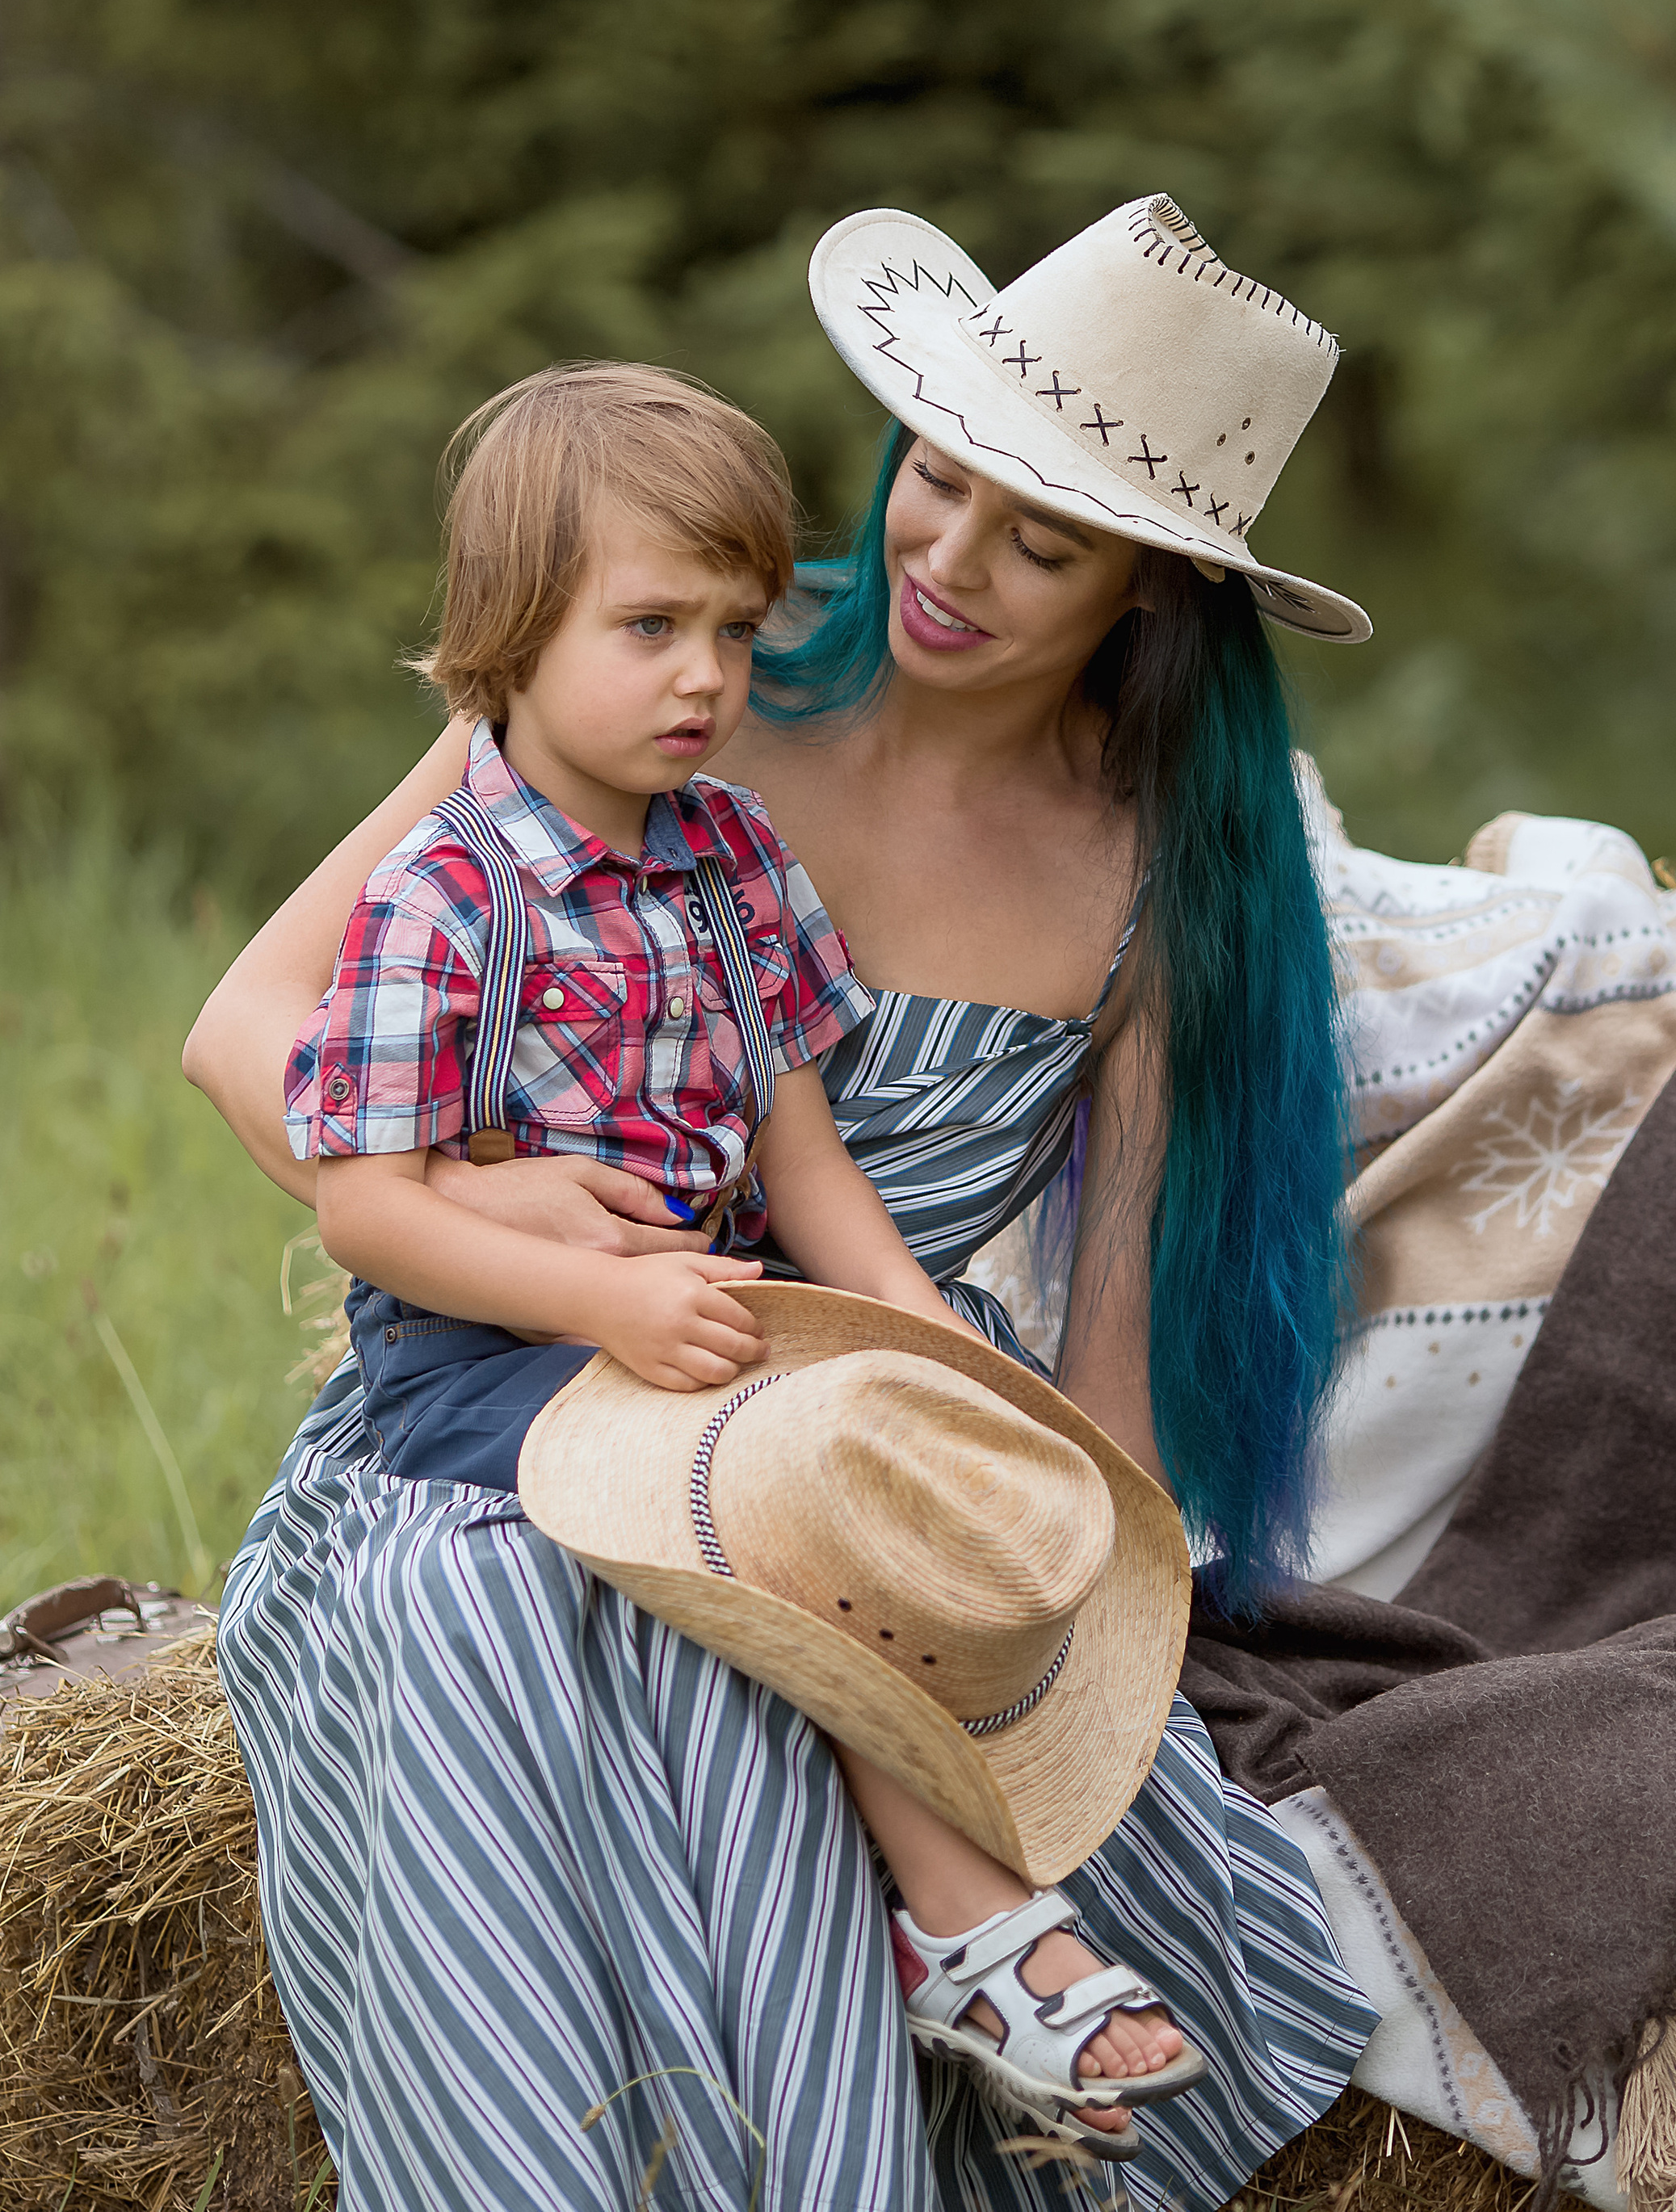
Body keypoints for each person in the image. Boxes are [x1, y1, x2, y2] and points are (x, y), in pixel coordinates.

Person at [191, 191, 1380, 2212]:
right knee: (514, 1614)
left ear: (1152, 592)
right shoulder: (643, 666)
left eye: (1045, 535)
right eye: (938, 477)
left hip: (856, 1383)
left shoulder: (1153, 875)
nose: (944, 558)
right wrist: (512, 1217)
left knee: (881, 1624)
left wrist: (1054, 1582)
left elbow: (1093, 1330)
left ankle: (968, 1961)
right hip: (538, 1355)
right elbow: (250, 1033)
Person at [286, 356, 1210, 2156]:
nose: (708, 673)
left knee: (864, 1474)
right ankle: (968, 1925)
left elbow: (802, 1156)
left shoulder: (731, 864)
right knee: (776, 1513)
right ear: (503, 634)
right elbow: (365, 1206)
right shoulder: (446, 889)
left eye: (730, 620)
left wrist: (929, 1337)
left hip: (704, 1316)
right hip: (493, 1351)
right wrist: (591, 1287)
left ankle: (966, 1907)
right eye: (648, 626)